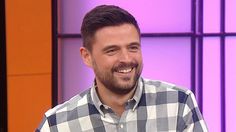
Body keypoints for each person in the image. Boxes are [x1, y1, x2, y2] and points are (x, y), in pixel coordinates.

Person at [36, 5, 208, 132]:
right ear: (86, 56)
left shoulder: (179, 103)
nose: (126, 59)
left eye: (133, 47)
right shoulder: (56, 124)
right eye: (112, 50)